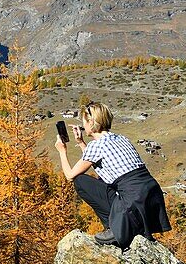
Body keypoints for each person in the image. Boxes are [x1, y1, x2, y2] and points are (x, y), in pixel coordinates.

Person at [56, 102, 171, 248]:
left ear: (91, 122)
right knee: (102, 179)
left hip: (131, 200)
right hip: (149, 197)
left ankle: (115, 229)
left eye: (84, 122)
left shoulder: (96, 146)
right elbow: (98, 161)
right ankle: (126, 225)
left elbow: (70, 175)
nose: (83, 126)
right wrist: (80, 142)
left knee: (80, 181)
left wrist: (62, 151)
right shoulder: (121, 138)